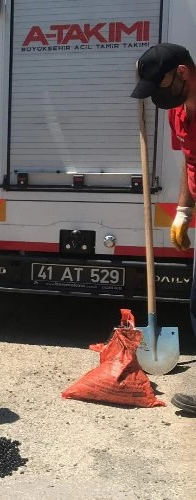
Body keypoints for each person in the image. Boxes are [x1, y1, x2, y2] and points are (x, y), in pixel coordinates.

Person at [131, 42, 196, 415]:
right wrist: (183, 211)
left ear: (183, 73)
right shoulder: (178, 114)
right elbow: (191, 163)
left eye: (161, 85)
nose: (158, 96)